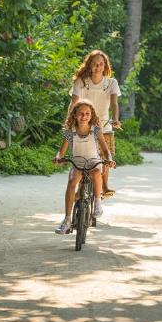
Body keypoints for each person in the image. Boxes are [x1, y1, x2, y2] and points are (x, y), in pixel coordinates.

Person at [53, 99, 116, 235]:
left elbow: (105, 151)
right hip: (78, 163)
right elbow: (62, 151)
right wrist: (58, 157)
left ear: (91, 115)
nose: (84, 116)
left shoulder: (95, 130)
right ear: (75, 114)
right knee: (72, 181)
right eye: (81, 113)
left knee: (95, 174)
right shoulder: (70, 131)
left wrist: (109, 160)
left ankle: (97, 203)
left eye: (87, 113)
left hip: (93, 162)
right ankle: (67, 220)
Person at [70, 49, 121, 196]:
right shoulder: (81, 82)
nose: (98, 67)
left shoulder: (111, 83)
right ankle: (80, 188)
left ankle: (104, 186)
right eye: (94, 64)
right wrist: (70, 120)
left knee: (106, 157)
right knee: (82, 158)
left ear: (105, 66)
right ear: (89, 65)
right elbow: (74, 103)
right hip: (84, 124)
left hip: (104, 125)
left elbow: (114, 104)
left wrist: (116, 119)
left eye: (101, 64)